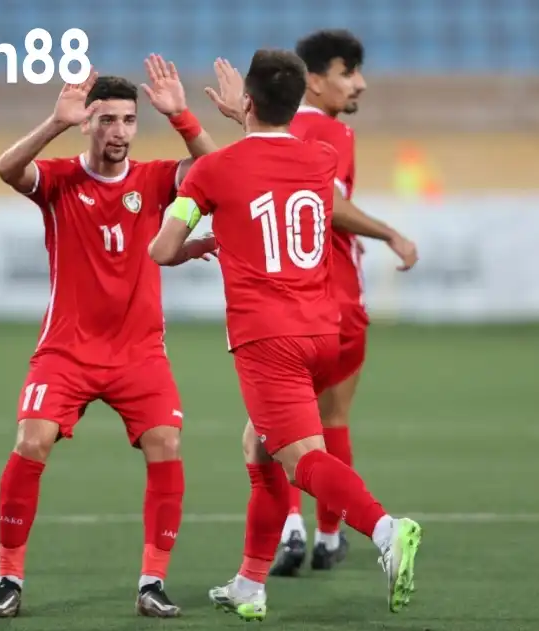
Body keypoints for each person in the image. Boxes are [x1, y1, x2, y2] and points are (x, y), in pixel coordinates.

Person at [149, 48, 422, 621]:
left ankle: (385, 529)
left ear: (247, 101)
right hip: (323, 331)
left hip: (268, 339)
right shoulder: (320, 157)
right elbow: (267, 158)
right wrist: (246, 118)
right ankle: (249, 584)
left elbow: (163, 249)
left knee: (301, 461)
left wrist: (201, 242)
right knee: (259, 446)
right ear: (297, 103)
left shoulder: (212, 172)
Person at [0, 55, 218, 619]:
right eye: (107, 119)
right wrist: (54, 122)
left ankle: (152, 583)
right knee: (31, 441)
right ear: (87, 122)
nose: (119, 131)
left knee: (167, 444)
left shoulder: (155, 179)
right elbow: (7, 168)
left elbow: (215, 170)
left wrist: (182, 116)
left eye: (128, 120)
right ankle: (9, 577)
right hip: (67, 350)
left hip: (139, 351)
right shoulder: (60, 179)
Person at [209, 30, 420, 575]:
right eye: (349, 72)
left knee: (270, 434)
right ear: (314, 81)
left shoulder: (277, 133)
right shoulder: (328, 134)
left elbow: (241, 171)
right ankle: (329, 537)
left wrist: (235, 119)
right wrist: (390, 233)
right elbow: (330, 201)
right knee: (328, 421)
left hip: (283, 310)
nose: (360, 84)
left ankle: (291, 535)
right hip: (330, 304)